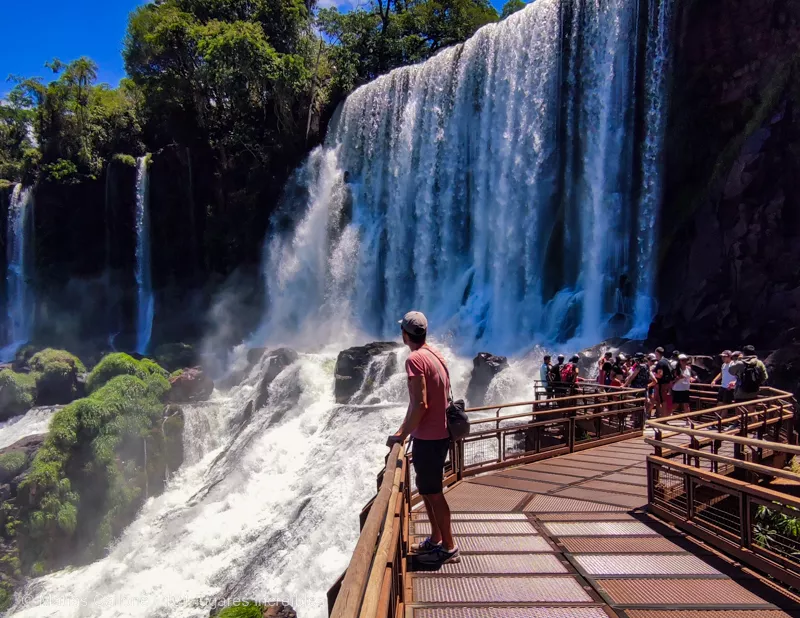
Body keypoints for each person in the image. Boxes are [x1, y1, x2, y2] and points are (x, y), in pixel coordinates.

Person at [387, 311, 459, 565]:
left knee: (434, 493)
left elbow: (420, 404)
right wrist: (403, 431)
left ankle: (449, 547)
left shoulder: (415, 360)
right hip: (438, 433)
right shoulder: (435, 354)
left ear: (405, 334)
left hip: (429, 437)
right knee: (428, 491)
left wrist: (401, 436)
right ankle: (436, 539)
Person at [653, 347, 673, 417]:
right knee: (661, 401)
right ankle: (660, 416)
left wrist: (652, 374)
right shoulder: (667, 361)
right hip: (667, 384)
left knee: (662, 401)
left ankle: (663, 417)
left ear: (657, 353)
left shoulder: (660, 363)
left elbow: (660, 375)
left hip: (662, 385)